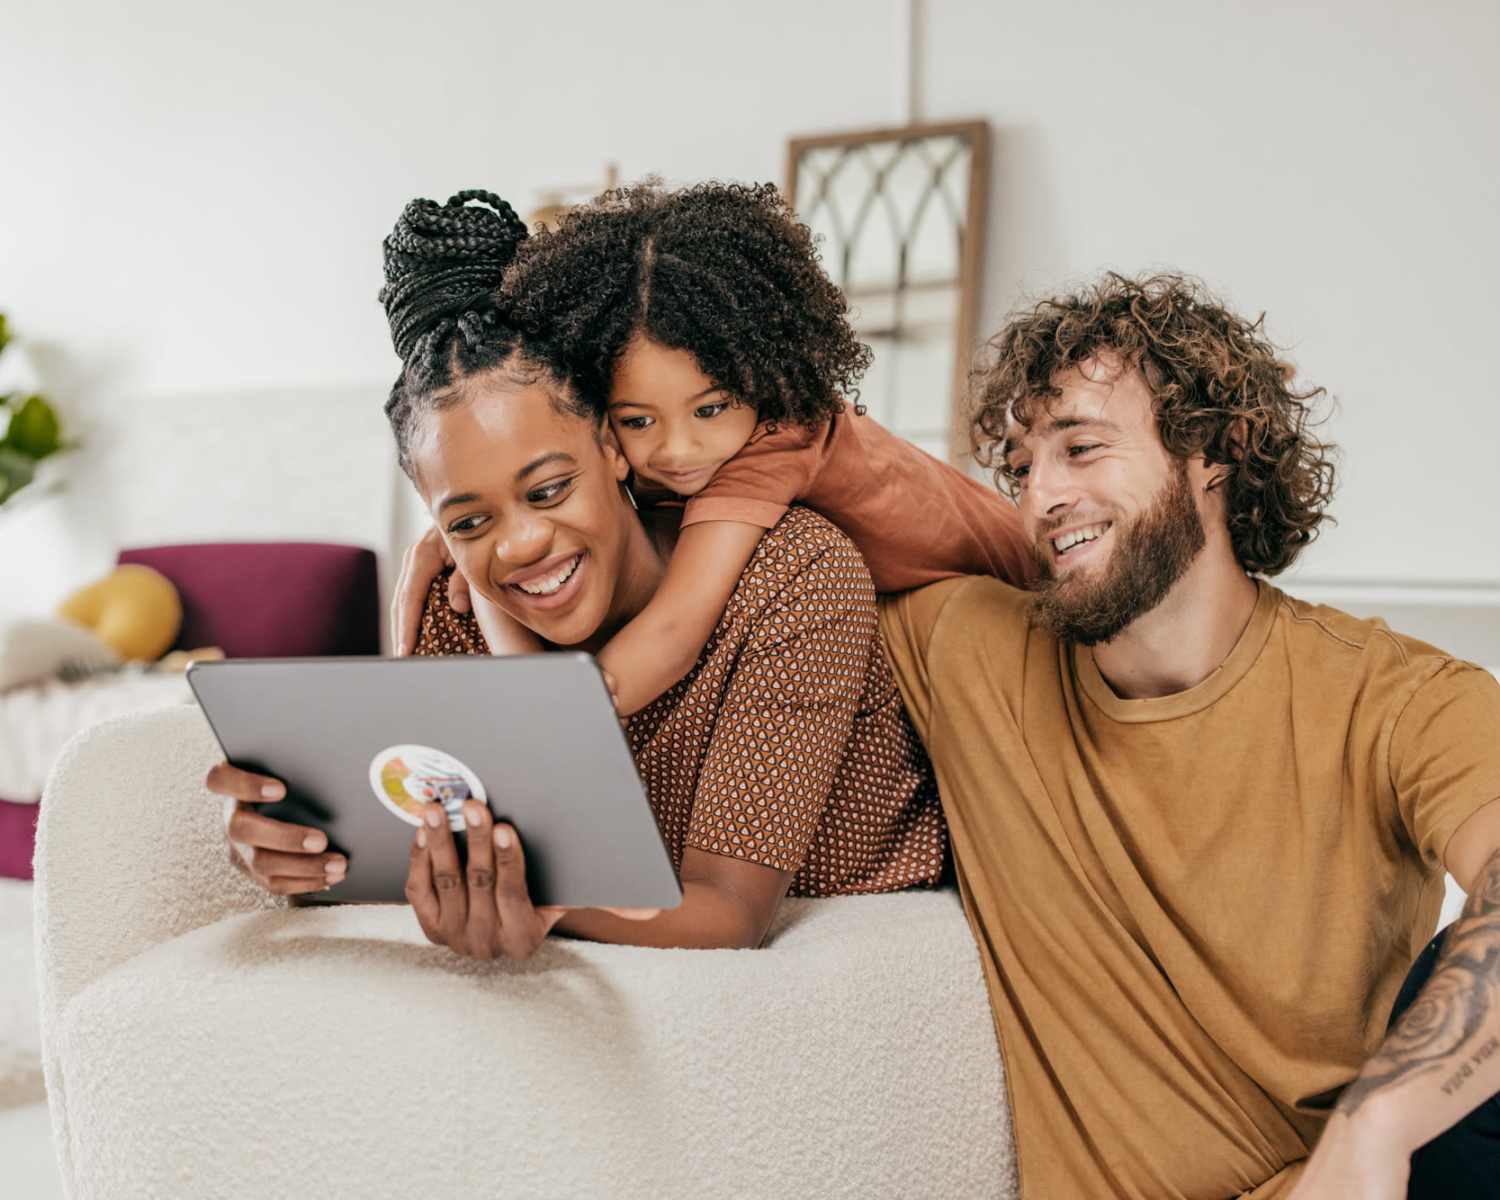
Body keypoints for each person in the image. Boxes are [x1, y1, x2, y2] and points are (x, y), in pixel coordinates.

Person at [878, 270, 1500, 1197]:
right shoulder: (970, 651)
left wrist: (1378, 1128)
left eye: (1081, 449)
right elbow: (800, 459)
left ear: (1214, 450)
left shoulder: (1394, 698)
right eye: (1019, 467)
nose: (1040, 497)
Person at [206, 190, 947, 956]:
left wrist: (543, 902)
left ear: (614, 445)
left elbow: (727, 913)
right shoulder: (457, 608)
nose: (521, 545)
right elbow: (436, 835)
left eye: (549, 490)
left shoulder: (792, 574)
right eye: (469, 521)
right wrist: (309, 853)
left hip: (860, 937)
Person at [392, 180, 1035, 718]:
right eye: (636, 421)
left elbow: (672, 636)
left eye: (711, 408)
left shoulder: (773, 442)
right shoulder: (693, 452)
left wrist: (540, 726)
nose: (677, 450)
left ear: (761, 374)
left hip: (1025, 590)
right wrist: (459, 537)